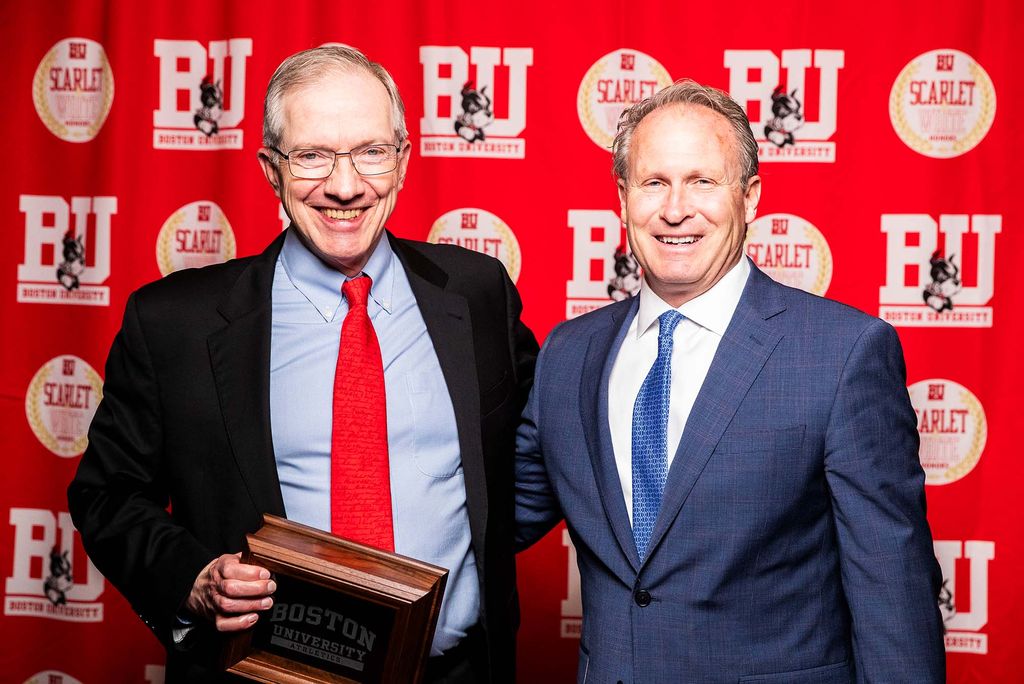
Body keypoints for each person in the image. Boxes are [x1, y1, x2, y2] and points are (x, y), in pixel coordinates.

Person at [68, 45, 537, 683]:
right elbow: (108, 494)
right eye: (313, 156)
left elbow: (540, 452)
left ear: (402, 160)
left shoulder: (477, 293)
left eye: (371, 152)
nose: (345, 186)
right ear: (270, 167)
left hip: (455, 672)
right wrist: (194, 578)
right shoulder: (174, 323)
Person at [514, 80, 945, 683]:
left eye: (702, 182)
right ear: (621, 198)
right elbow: (491, 516)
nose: (675, 209)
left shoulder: (842, 353)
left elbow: (890, 587)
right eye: (654, 182)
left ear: (751, 196)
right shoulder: (568, 355)